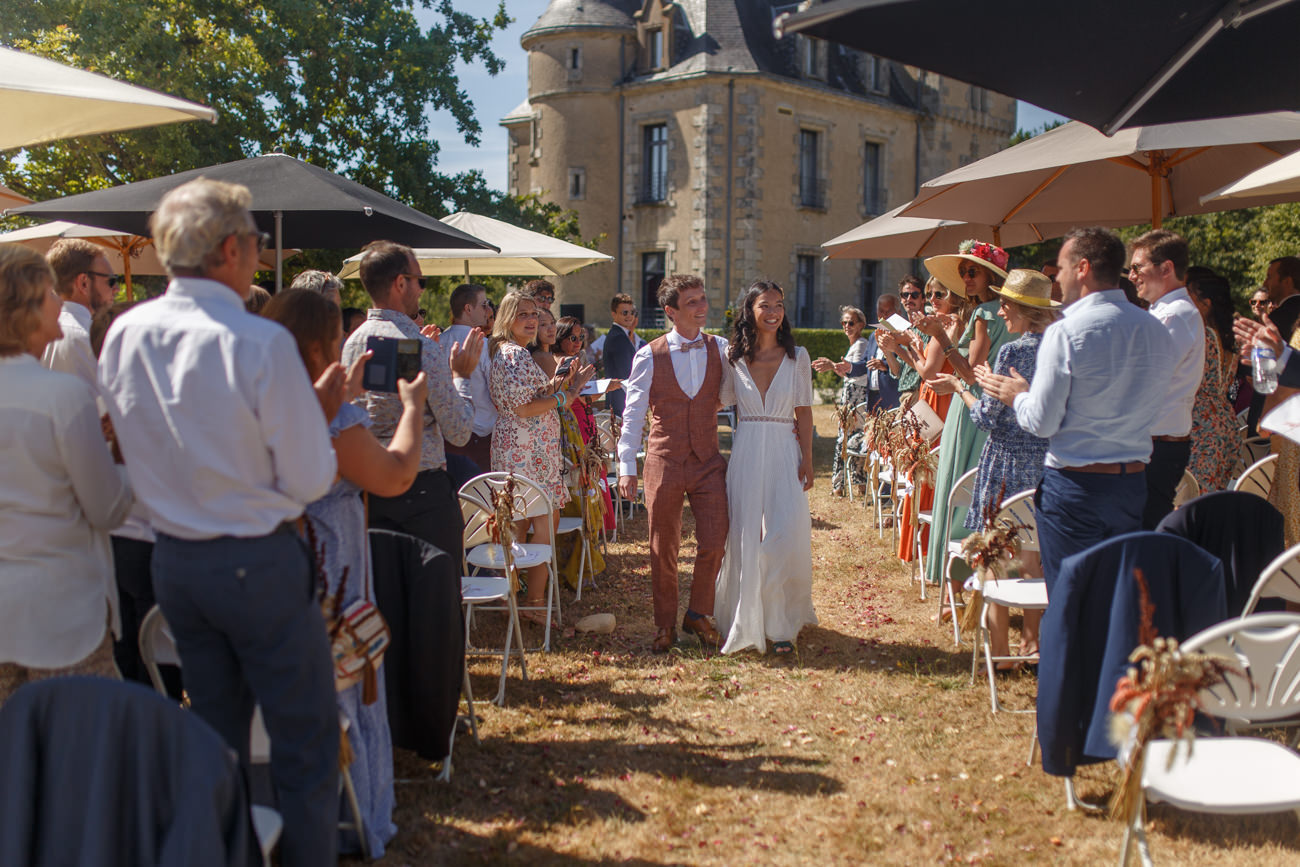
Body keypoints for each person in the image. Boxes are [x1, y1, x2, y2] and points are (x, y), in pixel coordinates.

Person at [98, 179, 343, 867]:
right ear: (230, 248)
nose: (263, 261)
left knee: (215, 736)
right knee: (305, 741)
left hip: (175, 560)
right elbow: (308, 479)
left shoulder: (125, 332)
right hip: (255, 559)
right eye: (260, 247)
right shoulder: (258, 341)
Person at [264, 288, 422, 858]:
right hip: (332, 572)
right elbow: (396, 474)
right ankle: (355, 817)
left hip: (273, 566)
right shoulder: (336, 421)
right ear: (320, 347)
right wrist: (411, 408)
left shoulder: (260, 401)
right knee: (350, 687)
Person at [977, 227, 1174, 593]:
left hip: (1076, 486)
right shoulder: (1155, 330)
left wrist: (1019, 395)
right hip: (1132, 482)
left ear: (1082, 268)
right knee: (1116, 599)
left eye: (1062, 269)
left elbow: (1041, 421)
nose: (1058, 280)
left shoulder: (1065, 332)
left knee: (1070, 603)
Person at [0, 244, 132, 703]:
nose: (61, 301)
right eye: (50, 295)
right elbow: (107, 508)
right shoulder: (61, 396)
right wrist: (124, 456)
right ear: (31, 309)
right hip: (63, 616)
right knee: (79, 759)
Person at [934, 270, 1059, 666]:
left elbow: (986, 419)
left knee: (995, 558)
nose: (1000, 309)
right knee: (1033, 559)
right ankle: (1033, 644)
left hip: (1004, 464)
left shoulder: (1013, 353)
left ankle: (1002, 651)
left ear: (1024, 310)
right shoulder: (1060, 351)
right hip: (1045, 466)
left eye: (1006, 304)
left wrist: (962, 389)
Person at [342, 240, 482, 565]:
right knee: (431, 606)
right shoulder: (421, 349)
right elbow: (459, 432)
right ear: (400, 283)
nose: (422, 289)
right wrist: (462, 377)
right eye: (421, 280)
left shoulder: (351, 344)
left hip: (367, 492)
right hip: (421, 496)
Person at [618, 274, 731, 653]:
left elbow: (737, 397)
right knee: (662, 546)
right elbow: (633, 414)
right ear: (671, 311)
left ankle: (698, 613)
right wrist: (626, 466)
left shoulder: (721, 348)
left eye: (703, 299)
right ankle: (664, 623)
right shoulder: (649, 354)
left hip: (708, 461)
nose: (702, 307)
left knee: (716, 539)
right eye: (692, 302)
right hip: (663, 460)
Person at [714, 281, 816, 655]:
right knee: (746, 536)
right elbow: (718, 401)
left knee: (785, 534)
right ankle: (748, 616)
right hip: (746, 448)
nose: (773, 312)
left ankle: (782, 621)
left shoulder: (798, 356)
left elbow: (803, 410)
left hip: (784, 450)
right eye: (765, 305)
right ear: (750, 311)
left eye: (779, 305)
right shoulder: (734, 357)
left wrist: (807, 456)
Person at [490, 292, 593, 623]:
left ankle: (515, 598)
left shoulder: (515, 353)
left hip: (526, 446)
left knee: (519, 524)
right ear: (507, 319)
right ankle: (532, 602)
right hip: (526, 449)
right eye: (523, 314)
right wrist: (565, 396)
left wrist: (568, 386)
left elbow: (533, 395)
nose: (532, 320)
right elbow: (523, 407)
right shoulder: (513, 355)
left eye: (534, 313)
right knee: (541, 521)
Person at [919, 240, 1014, 594]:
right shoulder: (1004, 311)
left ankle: (956, 587)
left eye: (972, 270)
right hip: (993, 409)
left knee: (961, 487)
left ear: (991, 275)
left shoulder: (985, 314)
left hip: (970, 405)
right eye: (963, 272)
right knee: (980, 492)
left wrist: (941, 337)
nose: (966, 277)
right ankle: (978, 584)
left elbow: (970, 372)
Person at [1127, 229, 1204, 529]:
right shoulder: (1165, 312)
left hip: (1155, 448)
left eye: (1137, 267)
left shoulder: (1175, 314)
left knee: (1142, 536)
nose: (1131, 275)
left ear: (1166, 268)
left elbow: (1145, 379)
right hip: (1151, 445)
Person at [552, 315, 611, 587]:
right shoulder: (559, 364)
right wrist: (580, 386)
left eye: (580, 338)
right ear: (559, 337)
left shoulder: (576, 361)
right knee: (577, 495)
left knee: (588, 491)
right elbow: (564, 397)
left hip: (580, 423)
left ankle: (585, 555)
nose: (576, 343)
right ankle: (571, 564)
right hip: (565, 430)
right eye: (572, 338)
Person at [1184, 268, 1239, 492]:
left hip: (1202, 424)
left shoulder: (1202, 335)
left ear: (1205, 303)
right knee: (1212, 496)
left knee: (1194, 496)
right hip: (1225, 420)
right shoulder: (1227, 337)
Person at [41, 238, 117, 390]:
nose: (116, 289)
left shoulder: (32, 337)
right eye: (111, 281)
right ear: (83, 283)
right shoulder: (90, 339)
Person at [443, 282, 496, 473]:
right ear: (468, 308)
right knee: (483, 498)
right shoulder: (482, 344)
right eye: (483, 304)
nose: (488, 309)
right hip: (481, 435)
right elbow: (497, 389)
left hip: (448, 433)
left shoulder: (438, 341)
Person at [822, 304, 871, 496]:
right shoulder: (856, 345)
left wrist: (833, 365)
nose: (846, 326)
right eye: (844, 322)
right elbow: (848, 371)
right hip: (852, 398)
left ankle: (840, 486)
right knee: (851, 439)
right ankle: (852, 484)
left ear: (861, 325)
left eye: (851, 322)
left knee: (847, 440)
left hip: (855, 399)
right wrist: (834, 367)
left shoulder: (861, 345)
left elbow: (857, 374)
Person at [603, 292, 642, 417]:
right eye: (624, 313)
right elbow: (627, 371)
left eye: (632, 312)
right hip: (620, 402)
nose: (629, 316)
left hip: (621, 400)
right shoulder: (618, 337)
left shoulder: (621, 335)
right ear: (613, 314)